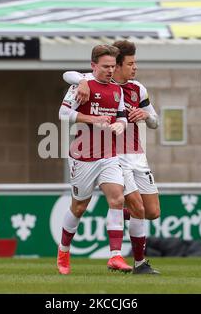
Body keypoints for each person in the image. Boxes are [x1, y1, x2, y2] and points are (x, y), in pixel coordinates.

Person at [62, 40, 161, 274]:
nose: (135, 68)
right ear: (117, 66)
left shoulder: (138, 89)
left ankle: (113, 219)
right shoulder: (97, 80)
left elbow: (155, 122)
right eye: (130, 63)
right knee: (134, 206)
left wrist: (145, 115)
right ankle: (138, 263)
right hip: (115, 155)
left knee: (152, 212)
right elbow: (69, 75)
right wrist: (83, 81)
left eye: (135, 63)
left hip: (138, 157)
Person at [57, 44, 132, 275]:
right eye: (106, 66)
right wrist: (91, 118)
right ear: (93, 66)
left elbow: (122, 116)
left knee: (117, 199)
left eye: (112, 66)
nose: (110, 70)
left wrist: (121, 124)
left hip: (108, 155)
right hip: (83, 158)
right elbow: (62, 114)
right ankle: (63, 251)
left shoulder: (117, 90)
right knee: (79, 207)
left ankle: (115, 256)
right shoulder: (82, 85)